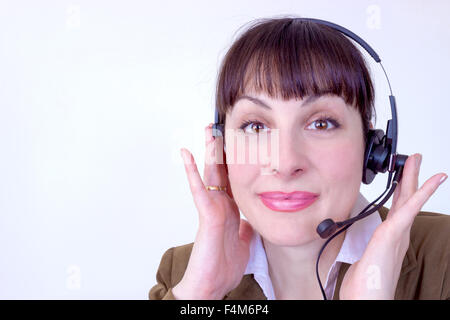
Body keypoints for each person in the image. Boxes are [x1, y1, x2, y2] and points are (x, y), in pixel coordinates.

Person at [149, 16, 449, 300]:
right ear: (220, 148)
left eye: (321, 123)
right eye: (256, 126)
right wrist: (201, 295)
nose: (285, 163)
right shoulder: (183, 272)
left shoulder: (443, 257)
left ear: (372, 149)